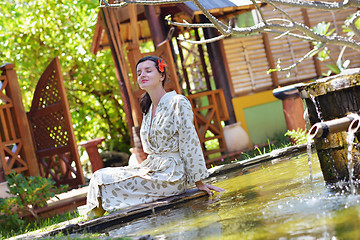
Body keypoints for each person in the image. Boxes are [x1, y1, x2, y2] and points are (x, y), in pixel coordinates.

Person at [79, 55, 224, 218]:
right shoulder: (148, 109)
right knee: (100, 176)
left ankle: (91, 222)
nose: (142, 75)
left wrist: (198, 182)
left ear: (162, 75)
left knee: (102, 179)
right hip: (153, 169)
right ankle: (94, 221)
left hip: (171, 175)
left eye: (148, 70)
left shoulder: (177, 102)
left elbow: (189, 141)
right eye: (139, 73)